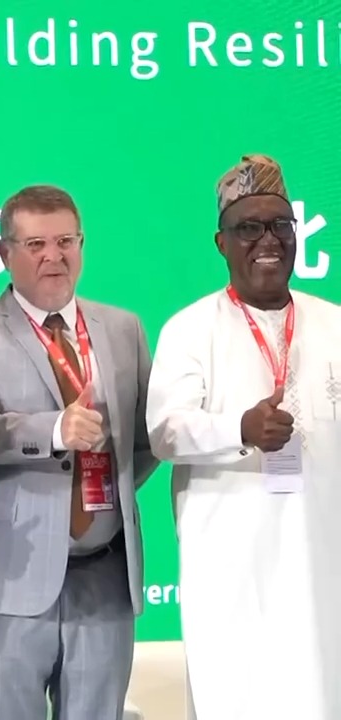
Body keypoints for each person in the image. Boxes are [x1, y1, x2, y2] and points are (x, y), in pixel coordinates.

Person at [0, 184, 157, 720]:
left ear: (82, 245)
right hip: (8, 576)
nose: (53, 256)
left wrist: (102, 495)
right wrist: (57, 430)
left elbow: (145, 438)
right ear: (4, 253)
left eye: (65, 241)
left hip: (105, 577)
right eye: (35, 244)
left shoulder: (123, 328)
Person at [146, 154, 341, 720]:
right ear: (222, 243)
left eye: (280, 225)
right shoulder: (191, 329)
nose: (268, 241)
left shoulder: (333, 322)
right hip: (232, 568)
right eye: (249, 228)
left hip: (325, 559)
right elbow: (164, 430)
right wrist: (239, 428)